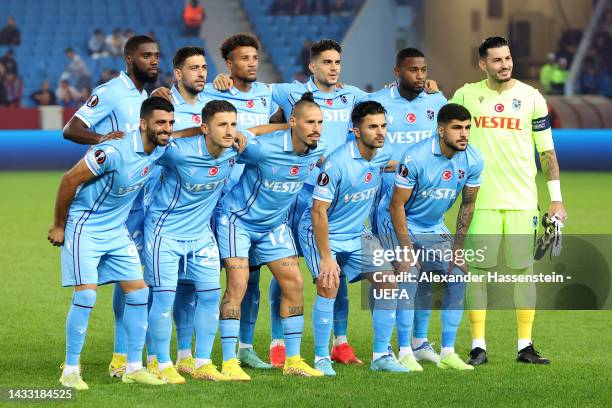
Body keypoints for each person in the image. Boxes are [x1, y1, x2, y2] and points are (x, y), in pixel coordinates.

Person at [450, 36, 567, 365]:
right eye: (497, 60)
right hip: (480, 201)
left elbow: (546, 152)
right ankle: (477, 346)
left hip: (523, 201)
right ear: (482, 64)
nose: (505, 65)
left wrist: (555, 200)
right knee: (477, 273)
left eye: (508, 58)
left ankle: (524, 346)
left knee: (523, 272)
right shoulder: (465, 95)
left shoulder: (531, 98)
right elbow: (442, 129)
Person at [47, 96, 174, 389]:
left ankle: (132, 367)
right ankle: (70, 370)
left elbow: (185, 135)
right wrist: (58, 225)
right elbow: (69, 180)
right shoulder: (114, 151)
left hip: (116, 230)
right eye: (160, 123)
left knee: (139, 293)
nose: (167, 128)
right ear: (143, 124)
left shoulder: (158, 147)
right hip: (84, 226)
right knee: (87, 296)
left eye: (170, 123)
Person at [63, 35, 161, 379]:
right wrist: (102, 139)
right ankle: (73, 368)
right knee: (91, 294)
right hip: (97, 204)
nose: (153, 61)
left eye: (156, 56)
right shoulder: (110, 92)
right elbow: (71, 129)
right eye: (146, 56)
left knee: (137, 286)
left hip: (128, 205)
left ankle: (128, 362)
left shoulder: (146, 98)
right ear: (128, 59)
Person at [215, 93, 325, 380]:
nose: (317, 128)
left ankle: (293, 360)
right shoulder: (263, 149)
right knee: (238, 285)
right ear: (292, 123)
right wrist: (263, 131)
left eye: (320, 122)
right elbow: (243, 136)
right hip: (237, 221)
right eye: (310, 122)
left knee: (295, 283)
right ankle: (229, 363)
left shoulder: (317, 151)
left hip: (273, 227)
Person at [300, 101, 405, 375]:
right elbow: (318, 211)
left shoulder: (383, 153)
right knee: (329, 283)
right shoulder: (336, 163)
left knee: (387, 281)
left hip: (356, 231)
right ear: (356, 131)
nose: (380, 132)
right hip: (322, 230)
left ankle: (381, 355)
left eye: (383, 126)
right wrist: (326, 257)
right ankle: (322, 358)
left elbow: (390, 163)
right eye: (372, 127)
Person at [145, 100, 245, 383]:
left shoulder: (233, 153)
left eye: (233, 125)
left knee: (211, 296)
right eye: (222, 125)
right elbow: (149, 142)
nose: (229, 131)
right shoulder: (177, 154)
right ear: (204, 128)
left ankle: (202, 363)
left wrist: (243, 135)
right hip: (165, 233)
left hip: (201, 237)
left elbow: (270, 136)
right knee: (164, 298)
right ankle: (160, 363)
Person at [378, 103, 483, 371]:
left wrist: (457, 248)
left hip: (434, 226)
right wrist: (406, 250)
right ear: (440, 130)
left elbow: (468, 204)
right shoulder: (416, 157)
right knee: (410, 272)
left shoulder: (473, 159)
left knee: (458, 274)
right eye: (457, 128)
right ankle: (404, 351)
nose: (464, 134)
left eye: (467, 128)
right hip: (398, 222)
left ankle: (447, 352)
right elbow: (396, 205)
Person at [366, 47, 447, 369]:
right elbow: (365, 149)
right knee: (400, 273)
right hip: (388, 203)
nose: (420, 76)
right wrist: (395, 167)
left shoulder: (437, 102)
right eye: (413, 70)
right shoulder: (378, 103)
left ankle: (419, 341)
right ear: (397, 71)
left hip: (425, 206)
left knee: (426, 273)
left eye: (424, 69)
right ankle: (392, 347)